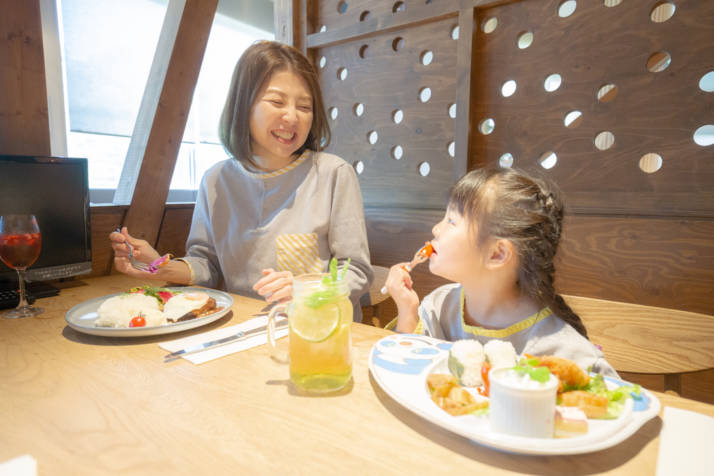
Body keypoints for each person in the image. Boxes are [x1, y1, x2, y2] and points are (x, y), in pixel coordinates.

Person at [110, 40, 373, 320]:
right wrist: (158, 265)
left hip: (316, 332)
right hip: (241, 328)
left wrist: (305, 289)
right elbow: (207, 265)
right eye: (277, 101)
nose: (292, 116)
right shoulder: (215, 181)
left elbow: (356, 271)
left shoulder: (334, 174)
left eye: (305, 106)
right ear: (243, 105)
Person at [384, 167, 617, 376]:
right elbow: (409, 371)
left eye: (452, 221)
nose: (436, 228)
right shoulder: (439, 305)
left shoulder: (564, 351)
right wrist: (407, 310)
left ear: (497, 254)